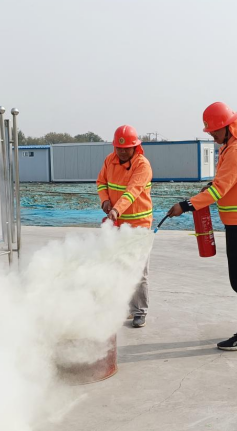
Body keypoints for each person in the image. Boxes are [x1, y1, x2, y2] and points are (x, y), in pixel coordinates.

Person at [167, 102, 237, 351]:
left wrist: (185, 206)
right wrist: (212, 185)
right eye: (209, 131)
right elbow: (229, 180)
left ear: (227, 126)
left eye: (214, 130)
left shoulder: (236, 149)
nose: (212, 134)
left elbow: (219, 191)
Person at [97, 125, 153, 328]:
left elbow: (132, 191)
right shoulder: (109, 160)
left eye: (126, 148)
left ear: (135, 147)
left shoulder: (142, 165)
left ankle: (139, 312)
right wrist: (105, 200)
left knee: (138, 270)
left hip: (139, 226)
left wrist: (116, 210)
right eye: (118, 148)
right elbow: (101, 182)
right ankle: (127, 308)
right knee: (119, 267)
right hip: (118, 224)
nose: (121, 152)